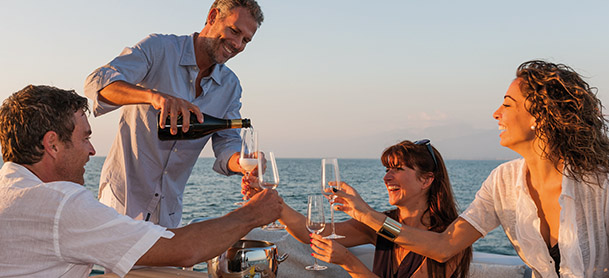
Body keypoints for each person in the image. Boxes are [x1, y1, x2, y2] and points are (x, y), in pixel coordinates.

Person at [331, 61, 609, 278]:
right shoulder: (503, 182)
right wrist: (367, 216)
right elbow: (442, 247)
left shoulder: (600, 183)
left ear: (540, 116)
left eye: (507, 104)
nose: (496, 113)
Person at [0, 85, 283, 277]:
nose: (92, 150)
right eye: (85, 137)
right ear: (52, 144)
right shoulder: (61, 204)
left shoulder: (11, 188)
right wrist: (252, 214)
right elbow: (184, 250)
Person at [83, 0, 264, 228]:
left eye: (246, 40)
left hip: (169, 215)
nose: (237, 44)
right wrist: (153, 97)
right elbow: (97, 84)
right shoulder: (159, 48)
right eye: (234, 31)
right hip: (121, 206)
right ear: (212, 16)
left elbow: (227, 144)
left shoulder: (230, 86)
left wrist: (243, 162)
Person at [244, 140, 472, 277]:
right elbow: (311, 233)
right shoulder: (380, 225)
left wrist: (348, 262)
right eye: (386, 169)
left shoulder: (450, 239)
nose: (387, 177)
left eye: (398, 169)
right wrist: (273, 202)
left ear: (426, 180)